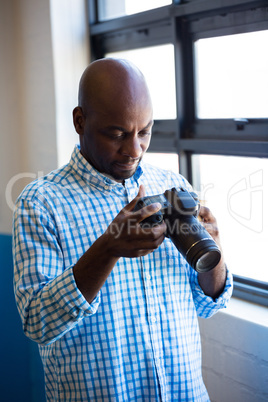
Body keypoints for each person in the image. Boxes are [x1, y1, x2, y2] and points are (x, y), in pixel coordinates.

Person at [13, 58, 232, 401]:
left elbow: (208, 304)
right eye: (117, 134)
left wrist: (214, 255)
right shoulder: (40, 203)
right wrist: (108, 248)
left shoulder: (173, 186)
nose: (134, 150)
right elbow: (38, 323)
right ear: (80, 121)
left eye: (144, 132)